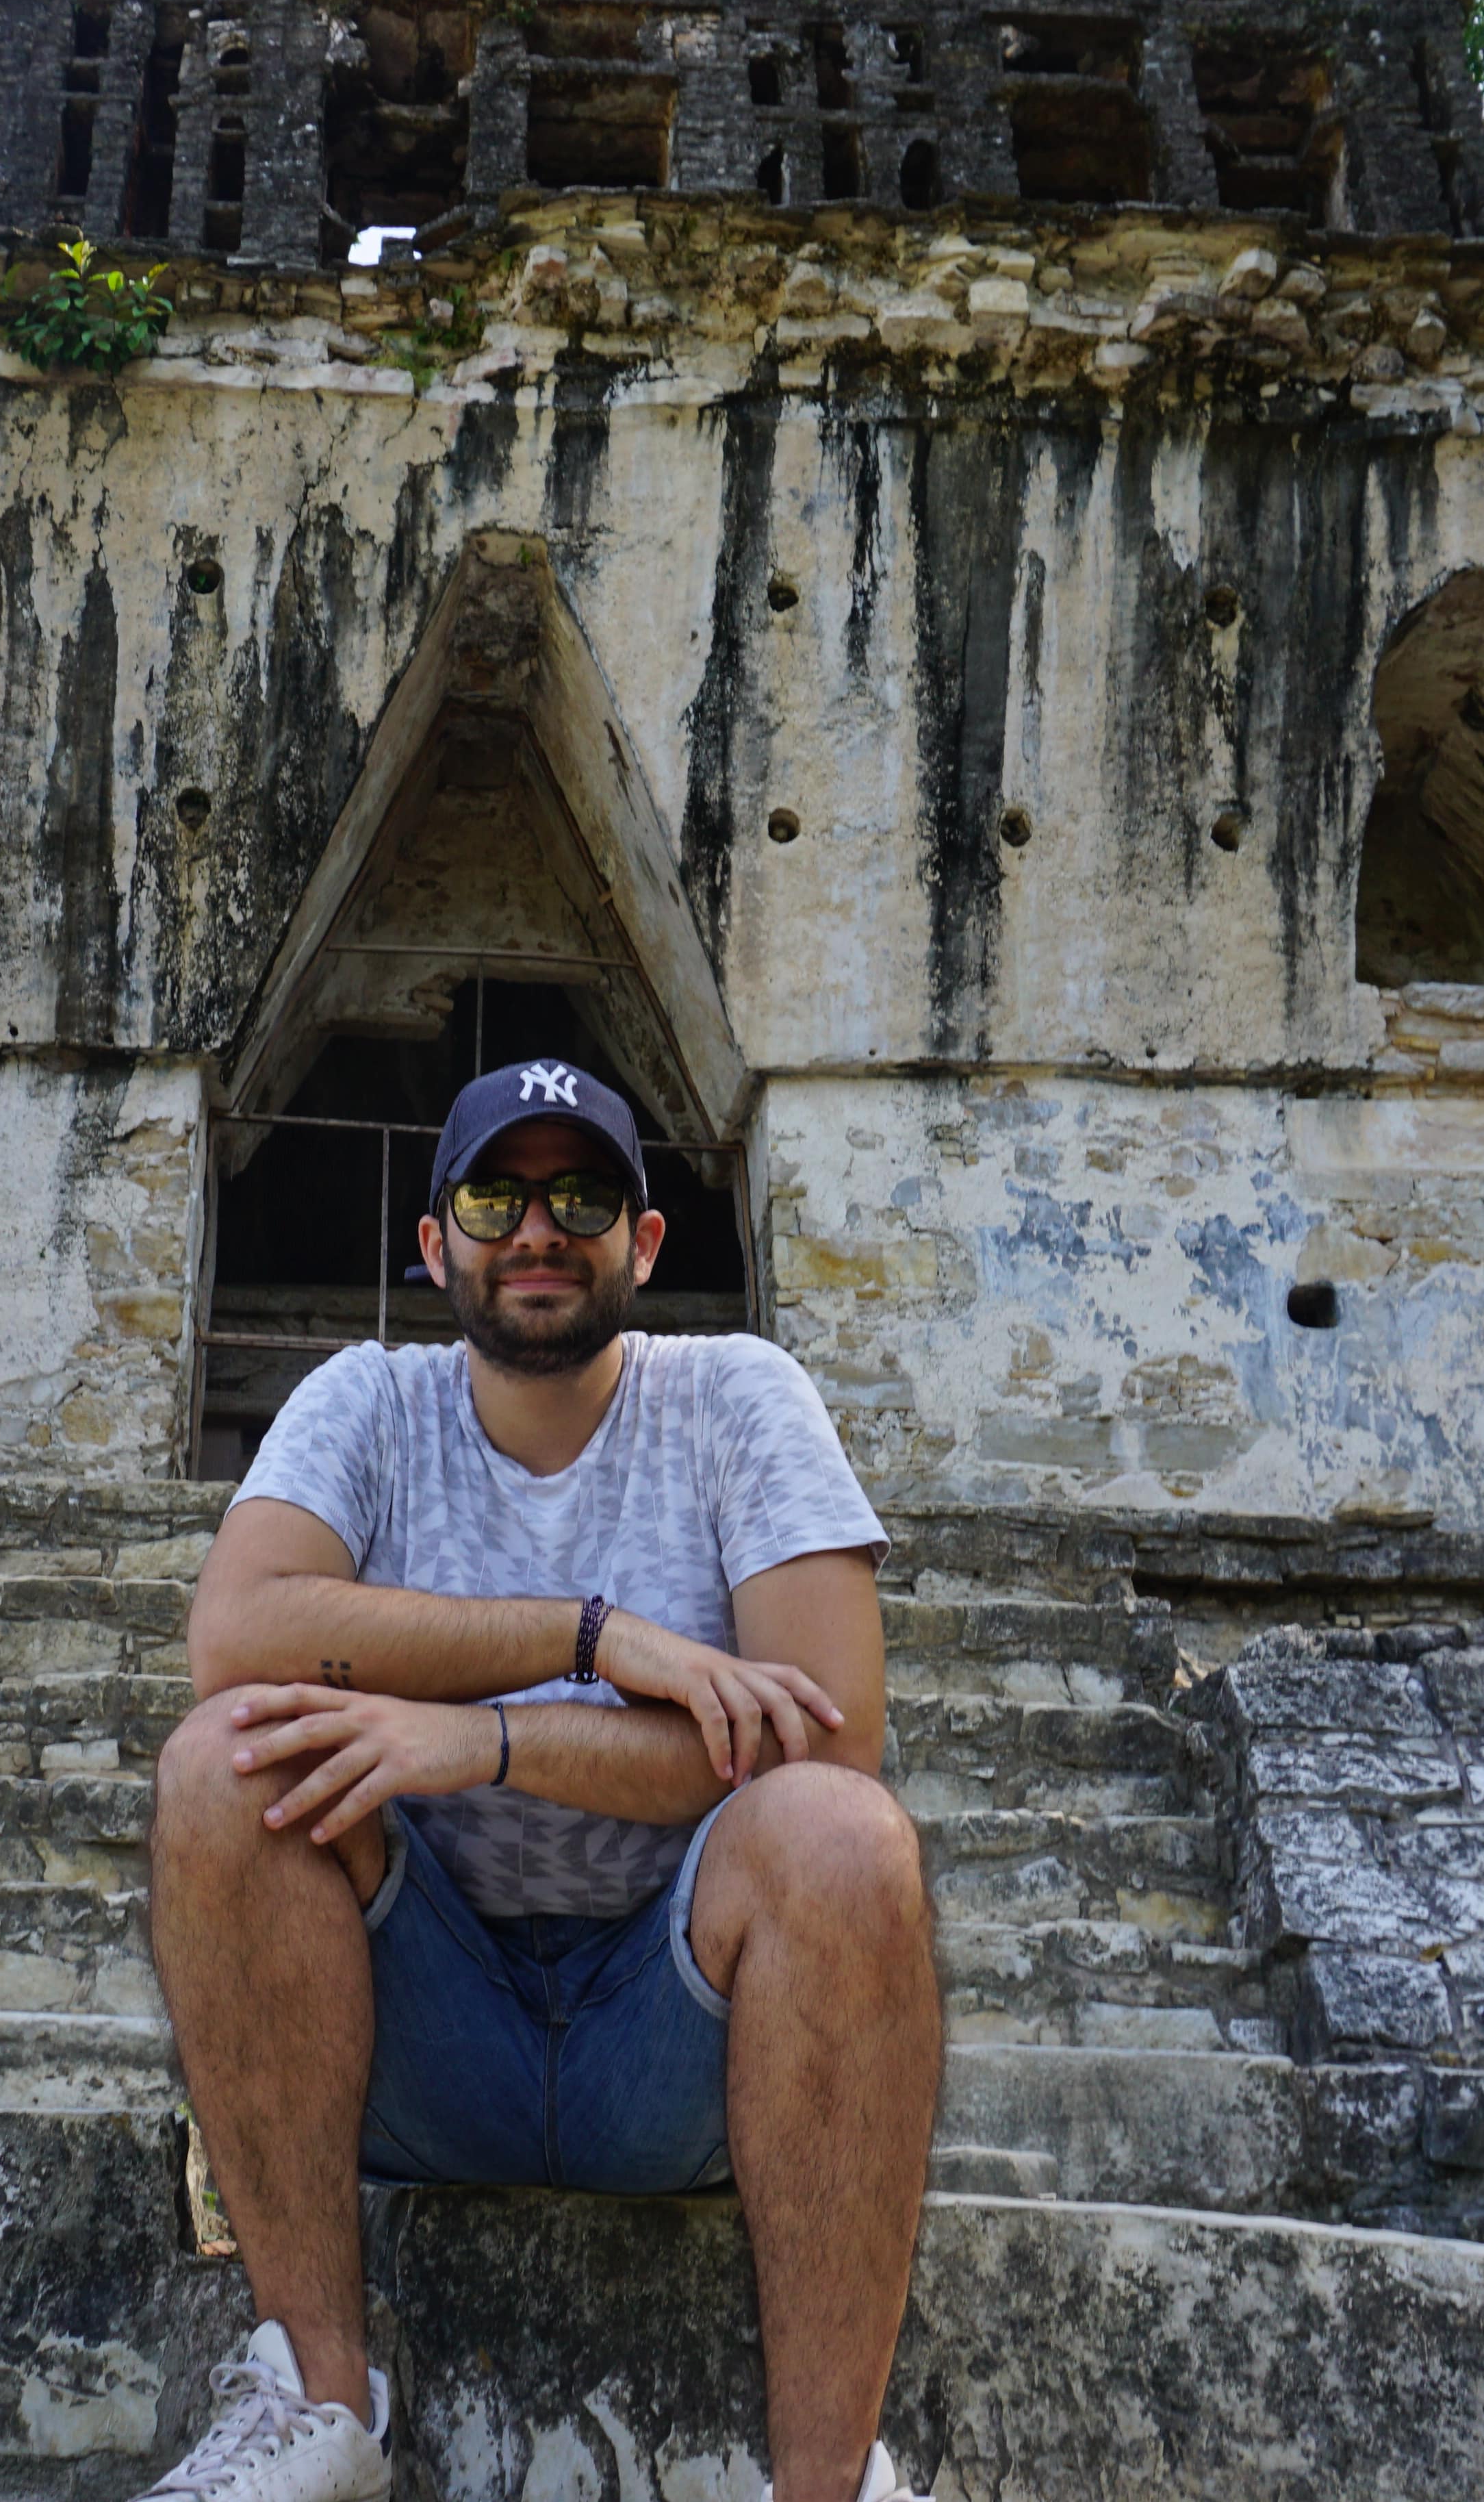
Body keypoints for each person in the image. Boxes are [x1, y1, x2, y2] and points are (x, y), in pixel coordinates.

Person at [136, 1058, 939, 2502]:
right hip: (419, 2023)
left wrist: (490, 1735)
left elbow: (833, 1745)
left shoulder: (739, 1397)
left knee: (839, 1835)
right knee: (223, 1764)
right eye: (497, 1193)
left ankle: (828, 2487)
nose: (538, 1228)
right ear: (435, 1240)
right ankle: (321, 2411)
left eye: (583, 1193)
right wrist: (587, 1639)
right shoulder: (370, 1402)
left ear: (644, 1240)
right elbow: (236, 1636)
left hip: (678, 2029)